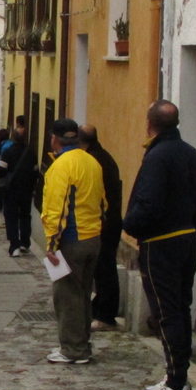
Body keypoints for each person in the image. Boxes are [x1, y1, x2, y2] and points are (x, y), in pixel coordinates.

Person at [124, 100, 196, 390]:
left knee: (167, 313)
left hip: (161, 243)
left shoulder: (157, 157)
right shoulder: (191, 154)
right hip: (188, 240)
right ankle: (175, 377)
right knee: (180, 307)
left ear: (149, 124)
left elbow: (149, 203)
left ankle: (178, 382)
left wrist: (130, 225)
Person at [42, 119, 104, 365]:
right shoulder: (92, 162)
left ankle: (72, 349)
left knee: (67, 296)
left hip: (71, 239)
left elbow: (57, 207)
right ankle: (82, 344)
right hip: (93, 236)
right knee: (83, 294)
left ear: (54, 139)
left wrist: (52, 244)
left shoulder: (60, 166)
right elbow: (103, 201)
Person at [78, 125, 122, 330]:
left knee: (104, 269)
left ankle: (106, 314)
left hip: (102, 222)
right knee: (103, 268)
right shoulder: (103, 156)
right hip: (109, 220)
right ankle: (100, 308)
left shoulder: (94, 160)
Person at [0, 128, 38, 257]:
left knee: (11, 217)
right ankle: (25, 243)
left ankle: (14, 245)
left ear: (13, 138)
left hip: (11, 190)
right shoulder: (31, 153)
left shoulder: (8, 152)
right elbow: (36, 172)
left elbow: (1, 170)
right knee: (25, 216)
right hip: (26, 190)